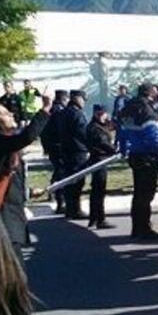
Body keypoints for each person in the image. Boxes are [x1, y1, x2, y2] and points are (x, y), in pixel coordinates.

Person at [0, 96, 52, 266]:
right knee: (13, 272)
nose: (11, 114)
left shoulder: (3, 144)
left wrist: (27, 192)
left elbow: (6, 181)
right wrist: (45, 109)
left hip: (8, 218)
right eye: (3, 113)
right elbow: (25, 137)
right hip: (1, 220)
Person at [117, 83, 158, 238]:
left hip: (134, 154)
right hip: (147, 156)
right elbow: (153, 137)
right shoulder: (148, 111)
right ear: (150, 93)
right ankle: (144, 228)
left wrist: (124, 149)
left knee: (138, 193)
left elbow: (122, 132)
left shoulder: (127, 108)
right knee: (146, 194)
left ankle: (136, 227)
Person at [56, 90, 91, 220]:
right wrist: (91, 144)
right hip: (77, 151)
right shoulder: (76, 114)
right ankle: (75, 209)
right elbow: (83, 132)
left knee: (69, 180)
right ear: (76, 98)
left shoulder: (63, 112)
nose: (84, 102)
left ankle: (70, 209)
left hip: (66, 150)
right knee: (77, 181)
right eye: (83, 99)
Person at [85, 104, 116, 230]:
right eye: (99, 114)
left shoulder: (102, 125)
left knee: (97, 190)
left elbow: (112, 127)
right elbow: (102, 142)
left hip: (102, 159)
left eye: (103, 114)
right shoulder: (94, 128)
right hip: (99, 159)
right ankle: (99, 218)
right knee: (98, 190)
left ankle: (94, 217)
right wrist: (114, 150)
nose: (102, 116)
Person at [40, 89, 68, 213]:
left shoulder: (51, 110)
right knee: (61, 172)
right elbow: (60, 130)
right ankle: (60, 200)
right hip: (58, 145)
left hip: (51, 145)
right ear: (64, 99)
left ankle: (54, 193)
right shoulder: (59, 111)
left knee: (58, 170)